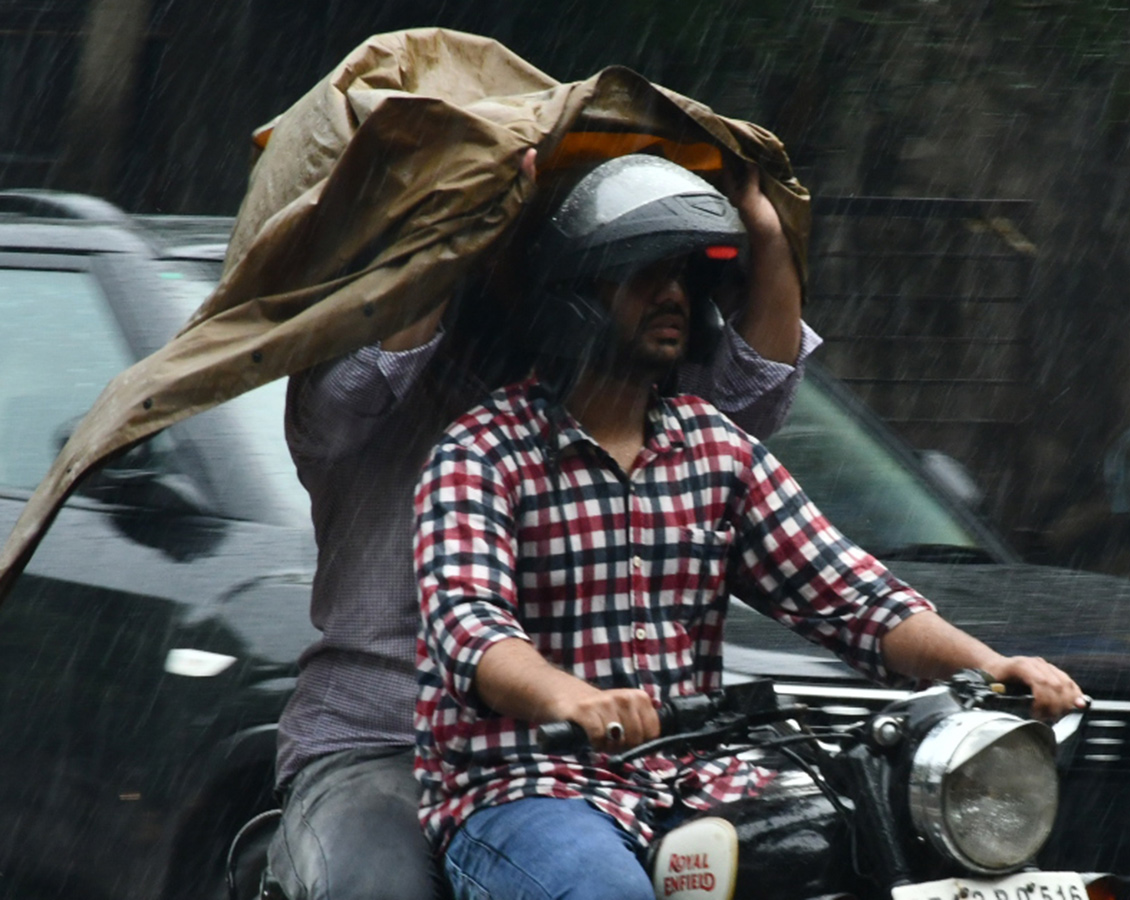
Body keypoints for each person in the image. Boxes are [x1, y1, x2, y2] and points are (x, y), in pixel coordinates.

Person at [413, 155, 1088, 900]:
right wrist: (568, 699)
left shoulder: (715, 448)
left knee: (868, 855)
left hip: (701, 778)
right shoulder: (483, 450)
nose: (674, 296)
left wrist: (990, 666)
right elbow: (468, 627)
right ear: (576, 293)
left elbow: (849, 596)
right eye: (646, 275)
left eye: (688, 278)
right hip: (529, 789)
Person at [267, 149, 820, 900]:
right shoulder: (382, 404)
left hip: (592, 761)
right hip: (382, 742)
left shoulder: (613, 393)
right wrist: (455, 222)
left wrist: (768, 239)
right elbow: (469, 624)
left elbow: (748, 405)